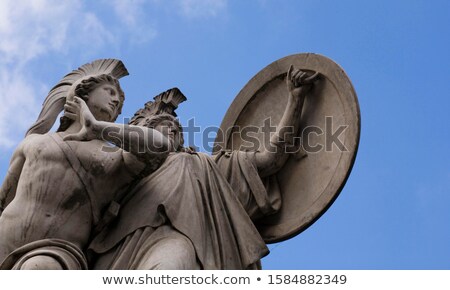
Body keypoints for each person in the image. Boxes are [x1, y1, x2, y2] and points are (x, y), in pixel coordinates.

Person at [89, 66, 319, 269]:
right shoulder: (123, 171)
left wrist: (295, 99)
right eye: (164, 125)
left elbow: (271, 159)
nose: (173, 130)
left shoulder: (204, 165)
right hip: (114, 252)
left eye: (177, 129)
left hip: (176, 242)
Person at [0, 73, 170, 269]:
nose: (116, 100)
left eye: (119, 101)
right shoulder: (34, 141)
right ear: (82, 94)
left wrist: (97, 128)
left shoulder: (116, 156)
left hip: (55, 251)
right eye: (110, 91)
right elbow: (4, 199)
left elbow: (160, 146)